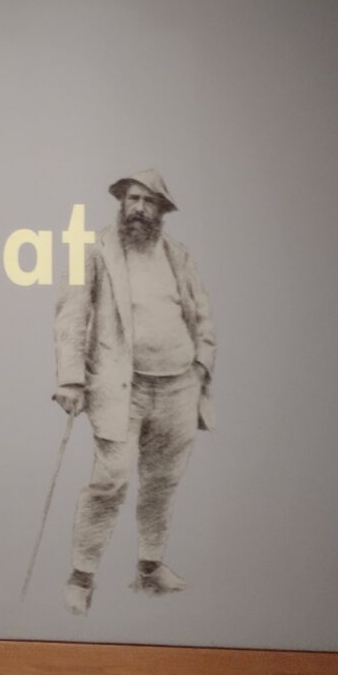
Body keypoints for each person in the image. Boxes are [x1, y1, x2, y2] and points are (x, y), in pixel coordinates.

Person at [53, 169, 216, 615]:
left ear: (162, 210)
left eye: (148, 201)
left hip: (178, 387)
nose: (139, 209)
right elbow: (71, 314)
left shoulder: (178, 256)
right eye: (132, 199)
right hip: (122, 388)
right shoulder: (95, 251)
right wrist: (70, 378)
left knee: (162, 483)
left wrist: (200, 367)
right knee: (109, 482)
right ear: (121, 204)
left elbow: (202, 316)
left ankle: (150, 568)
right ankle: (81, 577)